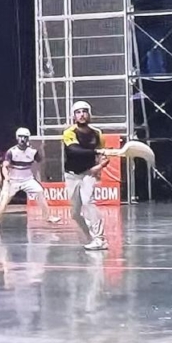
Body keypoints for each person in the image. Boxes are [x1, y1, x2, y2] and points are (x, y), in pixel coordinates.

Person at [0, 127, 60, 230]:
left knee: (39, 191)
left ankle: (48, 216)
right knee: (2, 203)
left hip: (28, 180)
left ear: (28, 138)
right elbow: (4, 166)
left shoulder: (33, 152)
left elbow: (41, 162)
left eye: (25, 137)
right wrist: (6, 177)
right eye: (20, 137)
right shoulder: (11, 152)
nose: (22, 139)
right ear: (17, 138)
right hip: (12, 181)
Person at [61, 101, 109, 251]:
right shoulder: (69, 132)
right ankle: (90, 237)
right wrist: (96, 152)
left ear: (89, 114)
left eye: (84, 111)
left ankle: (99, 239)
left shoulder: (97, 133)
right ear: (74, 116)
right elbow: (74, 150)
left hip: (88, 174)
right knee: (75, 213)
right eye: (78, 112)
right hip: (71, 176)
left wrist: (99, 166)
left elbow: (104, 157)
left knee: (88, 202)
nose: (81, 115)